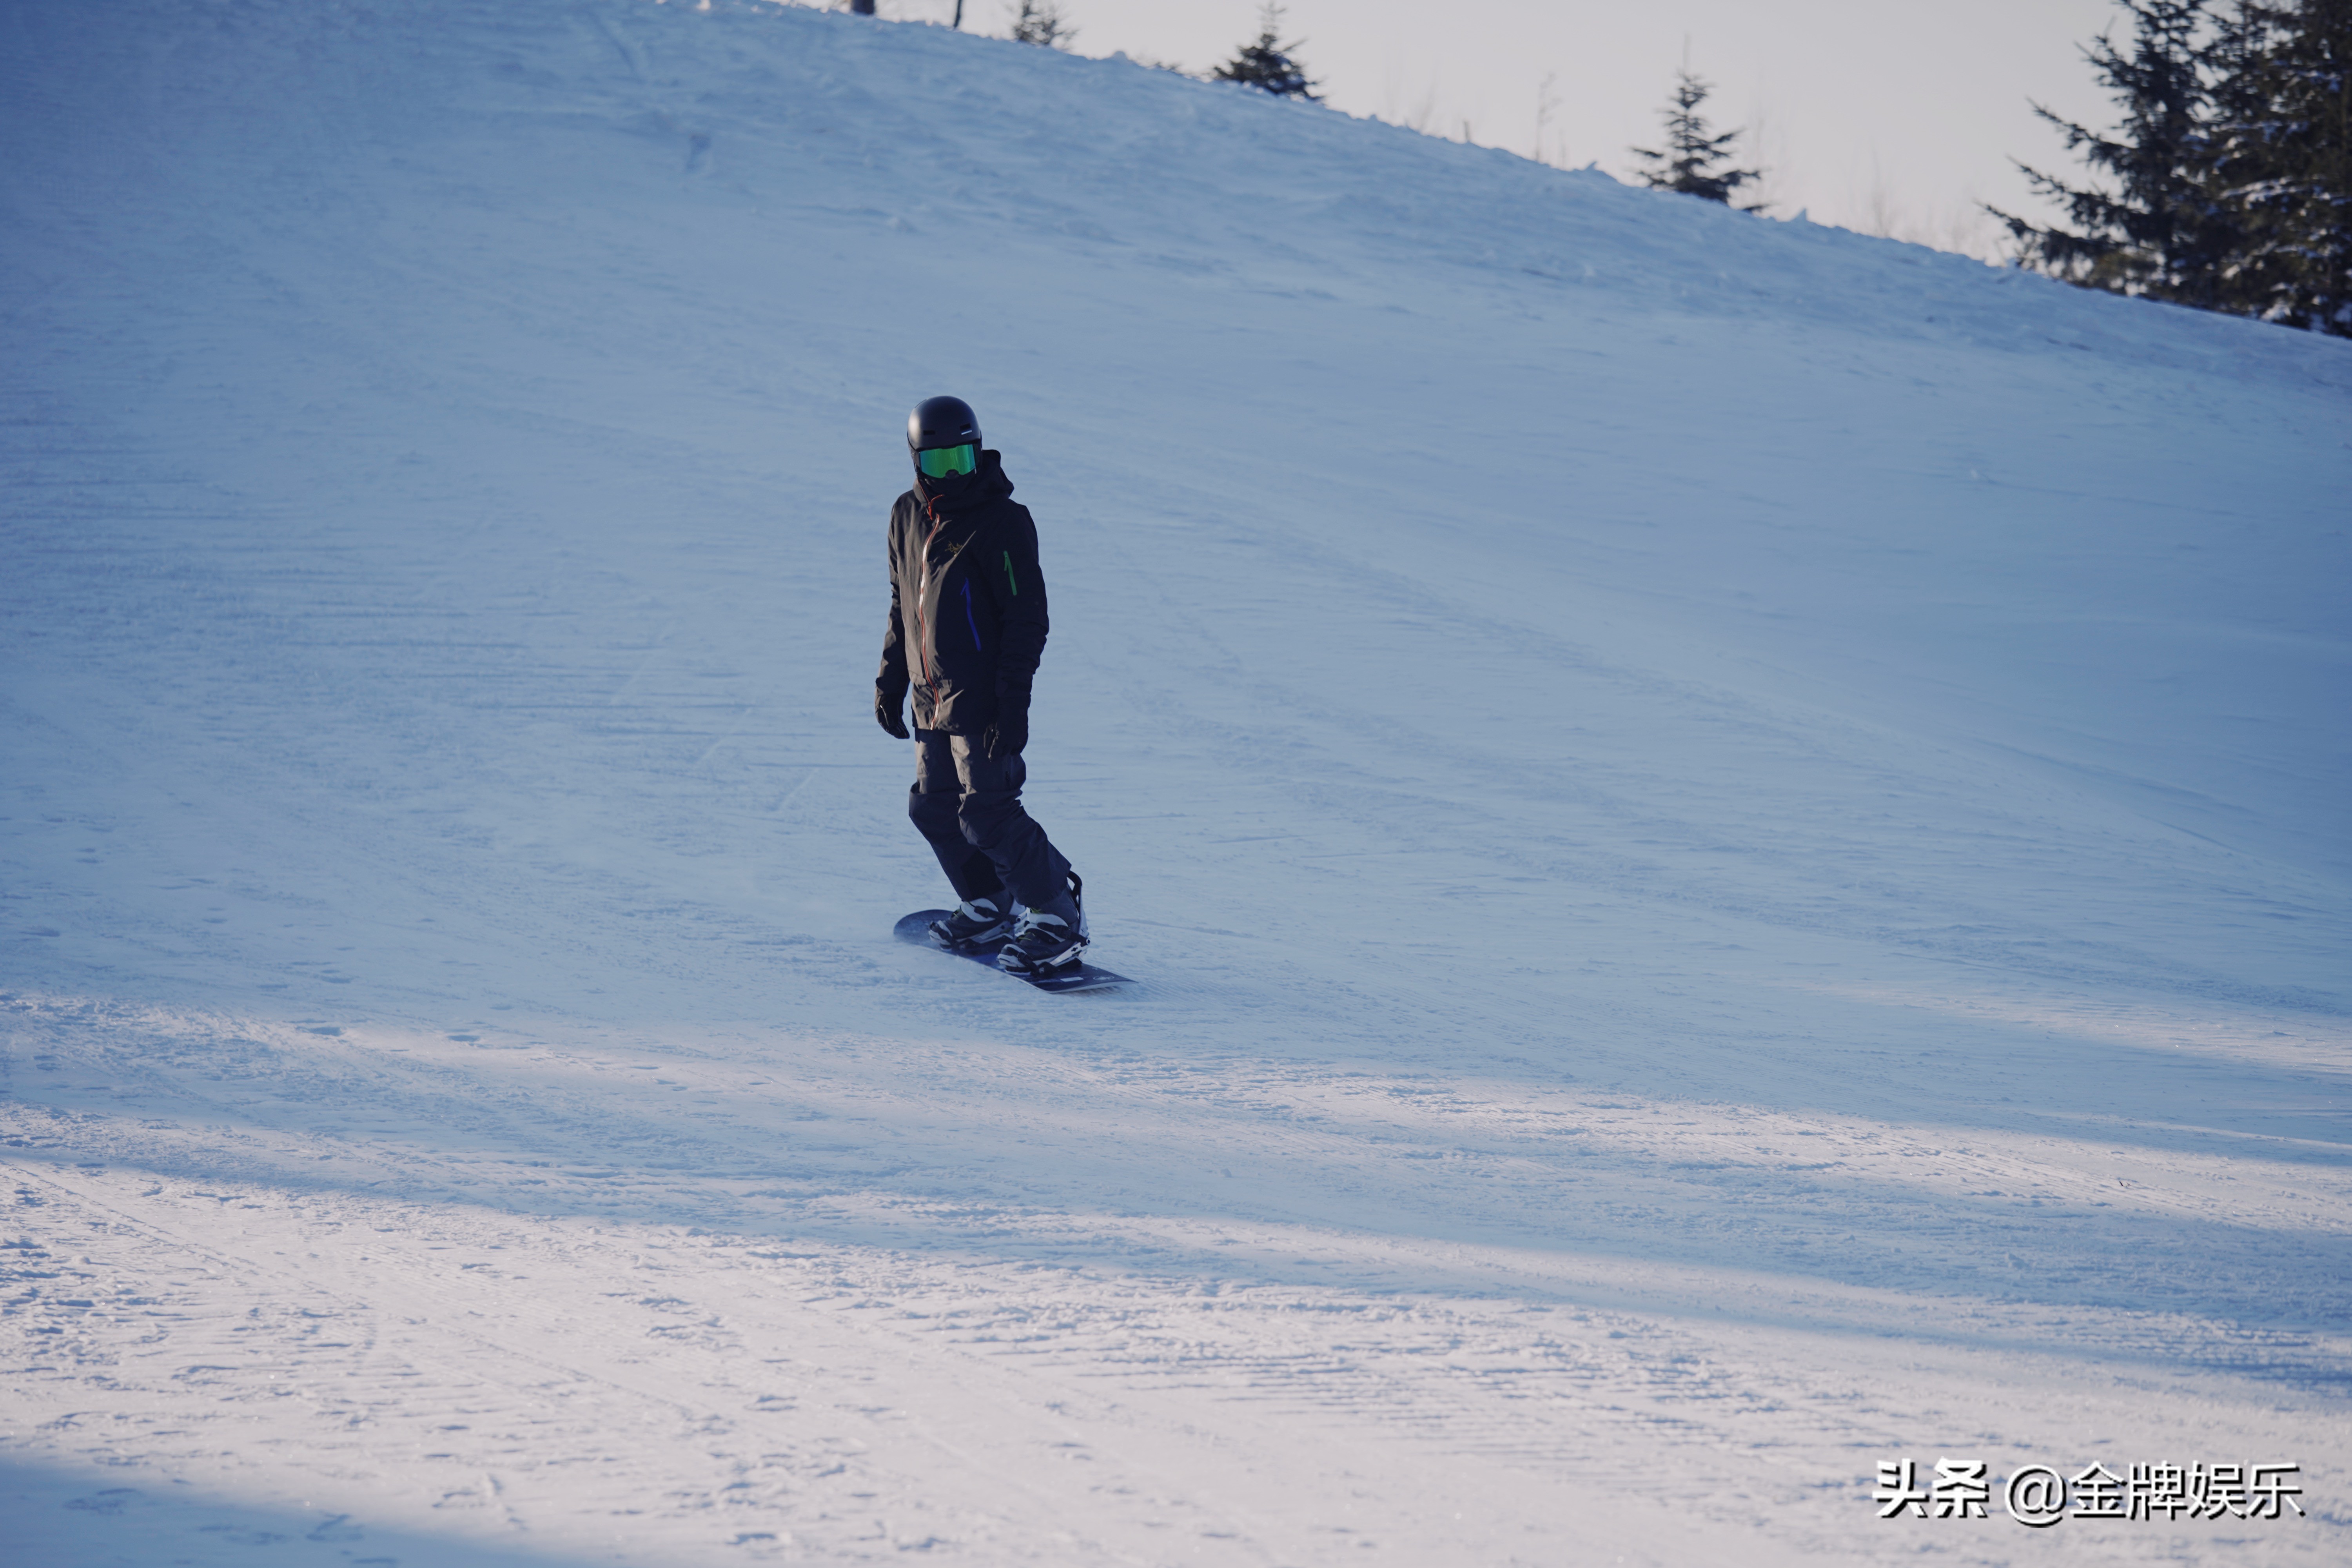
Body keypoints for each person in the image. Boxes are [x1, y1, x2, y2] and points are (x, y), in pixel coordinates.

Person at [876, 396, 1087, 976]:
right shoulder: (904, 515)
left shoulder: (1003, 521)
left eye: (964, 459)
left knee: (988, 813)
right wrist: (891, 678)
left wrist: (1013, 702)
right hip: (929, 695)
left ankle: (1056, 913)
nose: (956, 475)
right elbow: (902, 604)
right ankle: (990, 903)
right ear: (919, 462)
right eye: (942, 464)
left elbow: (1027, 620)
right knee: (934, 809)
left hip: (983, 697)